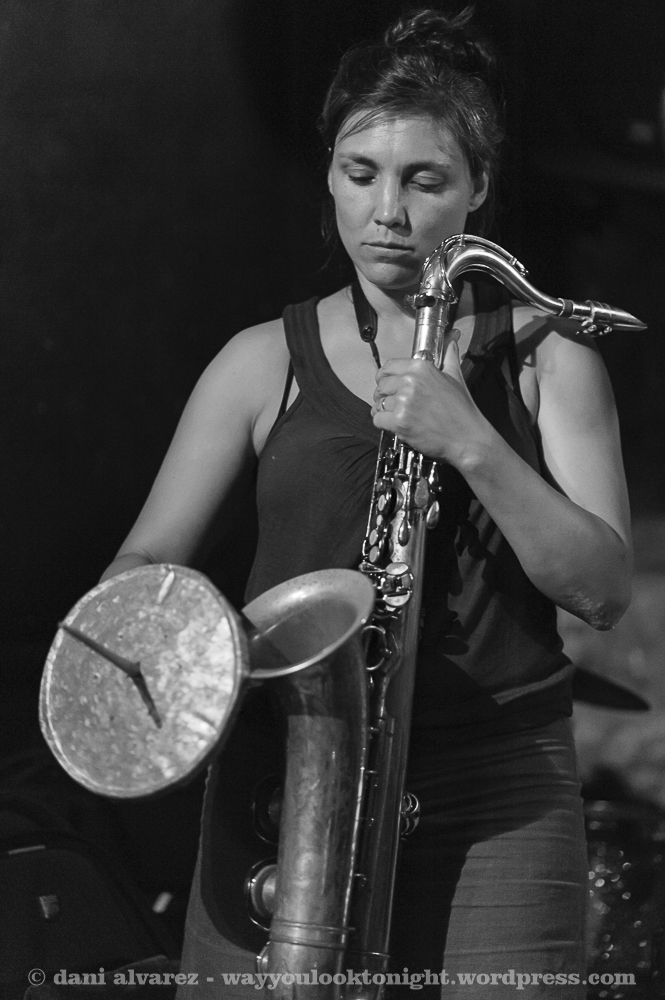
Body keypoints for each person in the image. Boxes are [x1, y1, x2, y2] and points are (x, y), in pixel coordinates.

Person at [101, 8, 632, 997]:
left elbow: (600, 590)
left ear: (478, 188)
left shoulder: (550, 360)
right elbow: (142, 566)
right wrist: (176, 648)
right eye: (359, 173)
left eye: (424, 180)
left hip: (494, 787)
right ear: (330, 175)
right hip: (284, 777)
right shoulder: (257, 361)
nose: (386, 211)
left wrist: (469, 439)